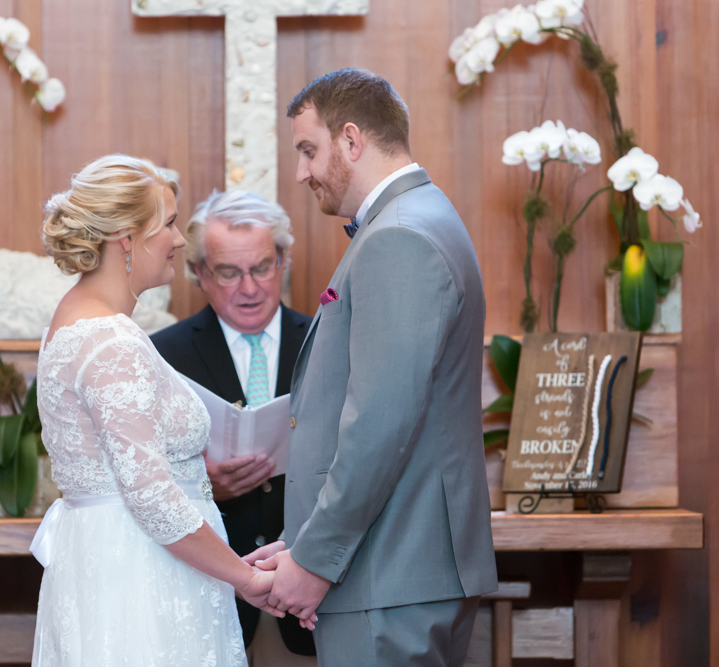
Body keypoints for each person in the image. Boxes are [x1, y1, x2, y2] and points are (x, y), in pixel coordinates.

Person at [245, 69, 498, 665]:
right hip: (398, 566)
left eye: (309, 150)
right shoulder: (421, 216)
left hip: (388, 573)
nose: (301, 172)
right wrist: (306, 539)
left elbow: (380, 427)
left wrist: (314, 560)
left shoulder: (398, 237)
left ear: (352, 141)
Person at [29, 154, 282, 666]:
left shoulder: (77, 321)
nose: (179, 239)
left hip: (118, 561)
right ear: (126, 237)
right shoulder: (110, 338)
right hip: (142, 579)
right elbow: (150, 496)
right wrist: (245, 577)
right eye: (167, 224)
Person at [150, 190, 316, 657]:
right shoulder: (163, 355)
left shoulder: (325, 342)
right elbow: (141, 479)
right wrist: (200, 483)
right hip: (212, 597)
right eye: (228, 272)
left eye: (262, 267)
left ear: (282, 261)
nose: (249, 287)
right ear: (199, 272)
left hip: (314, 602)